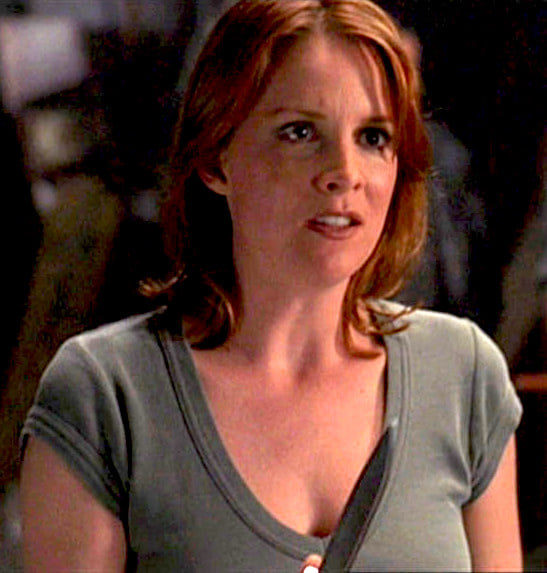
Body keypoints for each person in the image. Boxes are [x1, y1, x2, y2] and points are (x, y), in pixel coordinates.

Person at [19, 0, 523, 570]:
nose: (345, 172)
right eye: (300, 132)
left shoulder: (463, 376)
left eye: (373, 137)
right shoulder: (104, 395)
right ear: (216, 158)